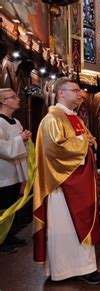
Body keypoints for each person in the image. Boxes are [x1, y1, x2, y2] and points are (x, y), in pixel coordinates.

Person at [33, 78, 100, 284]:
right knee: (66, 225)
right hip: (63, 185)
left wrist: (88, 141)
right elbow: (55, 149)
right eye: (75, 90)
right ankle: (65, 269)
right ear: (61, 93)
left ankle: (85, 266)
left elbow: (87, 140)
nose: (80, 94)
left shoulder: (75, 118)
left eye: (79, 90)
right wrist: (84, 142)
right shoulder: (52, 119)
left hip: (80, 182)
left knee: (81, 222)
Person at [0, 88, 30, 254]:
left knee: (11, 207)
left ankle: (9, 236)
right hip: (3, 174)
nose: (18, 99)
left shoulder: (16, 122)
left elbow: (20, 147)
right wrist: (21, 139)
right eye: (13, 97)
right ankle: (2, 241)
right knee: (3, 208)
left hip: (15, 173)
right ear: (3, 101)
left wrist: (25, 140)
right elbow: (3, 148)